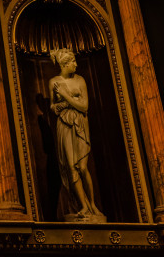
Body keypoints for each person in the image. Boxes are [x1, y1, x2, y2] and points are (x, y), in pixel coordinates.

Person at [49, 48, 105, 222]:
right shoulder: (53, 82)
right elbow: (53, 107)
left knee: (82, 167)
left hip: (80, 124)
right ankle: (83, 206)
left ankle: (93, 205)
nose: (76, 64)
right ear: (65, 64)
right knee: (71, 168)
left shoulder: (80, 80)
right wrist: (65, 104)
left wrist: (65, 97)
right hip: (64, 126)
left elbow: (84, 107)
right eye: (73, 62)